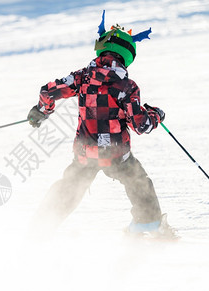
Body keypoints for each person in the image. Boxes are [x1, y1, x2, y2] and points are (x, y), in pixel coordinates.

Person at [27, 12, 176, 240]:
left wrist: (42, 111)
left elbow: (48, 91)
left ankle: (41, 227)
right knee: (138, 182)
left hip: (86, 153)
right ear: (128, 55)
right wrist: (156, 115)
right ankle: (149, 224)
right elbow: (141, 125)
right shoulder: (126, 86)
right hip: (117, 155)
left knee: (70, 186)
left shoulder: (82, 77)